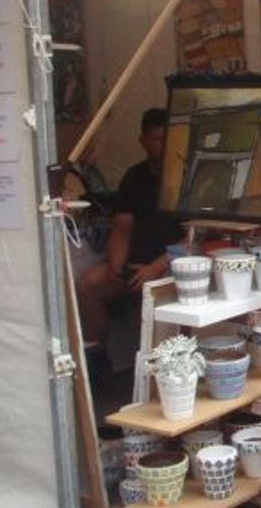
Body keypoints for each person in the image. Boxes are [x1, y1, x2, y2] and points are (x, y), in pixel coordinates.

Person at [77, 108, 183, 349]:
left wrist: (155, 267)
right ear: (143, 141)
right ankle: (98, 355)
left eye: (169, 138)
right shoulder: (134, 176)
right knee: (88, 284)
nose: (164, 145)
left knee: (151, 297)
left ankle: (152, 370)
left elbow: (192, 240)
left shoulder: (184, 176)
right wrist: (116, 264)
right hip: (133, 265)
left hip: (169, 265)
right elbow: (122, 226)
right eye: (157, 139)